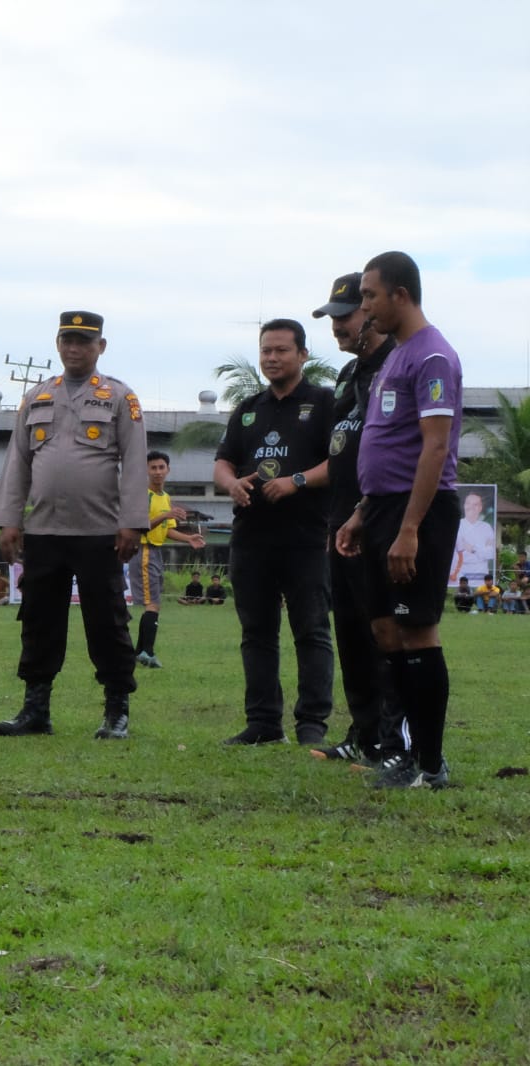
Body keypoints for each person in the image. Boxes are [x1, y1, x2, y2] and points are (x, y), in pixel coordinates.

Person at [335, 251, 463, 789]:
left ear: (400, 295)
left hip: (420, 510)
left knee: (417, 630)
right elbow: (387, 444)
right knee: (386, 628)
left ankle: (430, 765)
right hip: (384, 508)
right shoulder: (395, 357)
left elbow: (435, 448)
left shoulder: (432, 356)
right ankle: (401, 751)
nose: (364, 308)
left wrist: (410, 527)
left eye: (368, 295)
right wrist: (364, 512)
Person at [0, 311, 148, 741]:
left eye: (83, 341)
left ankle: (117, 710)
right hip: (44, 530)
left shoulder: (120, 396)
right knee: (38, 620)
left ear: (100, 347)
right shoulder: (37, 397)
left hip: (100, 531)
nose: (74, 348)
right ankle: (35, 709)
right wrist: (9, 519)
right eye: (67, 340)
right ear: (57, 344)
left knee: (108, 621)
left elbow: (135, 462)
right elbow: (17, 461)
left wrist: (133, 522)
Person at [214, 318, 336, 746]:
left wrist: (296, 481)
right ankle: (264, 724)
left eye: (282, 350)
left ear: (303, 354)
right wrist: (231, 484)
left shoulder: (324, 403)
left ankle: (311, 726)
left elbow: (340, 462)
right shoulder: (248, 408)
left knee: (312, 631)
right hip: (251, 537)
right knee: (257, 633)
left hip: (306, 536)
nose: (272, 357)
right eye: (266, 350)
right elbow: (223, 462)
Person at [309, 272, 406, 765]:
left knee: (386, 632)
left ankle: (396, 740)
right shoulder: (349, 376)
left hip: (379, 521)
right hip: (339, 522)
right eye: (332, 319)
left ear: (371, 312)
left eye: (344, 317)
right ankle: (364, 733)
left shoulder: (397, 366)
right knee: (349, 630)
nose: (337, 328)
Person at [131, 450, 206, 668]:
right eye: (153, 468)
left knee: (154, 603)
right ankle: (147, 652)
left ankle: (140, 652)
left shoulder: (165, 497)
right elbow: (139, 526)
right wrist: (165, 515)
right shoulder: (143, 495)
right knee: (152, 603)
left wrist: (188, 538)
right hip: (144, 550)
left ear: (168, 470)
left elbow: (167, 531)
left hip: (156, 552)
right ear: (146, 470)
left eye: (161, 467)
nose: (157, 472)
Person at [448, 491, 494, 589]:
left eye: (475, 504)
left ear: (480, 508)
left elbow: (490, 553)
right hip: (459, 572)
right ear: (464, 505)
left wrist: (473, 549)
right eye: (468, 503)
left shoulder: (486, 527)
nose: (471, 507)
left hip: (479, 573)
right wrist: (481, 552)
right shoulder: (456, 525)